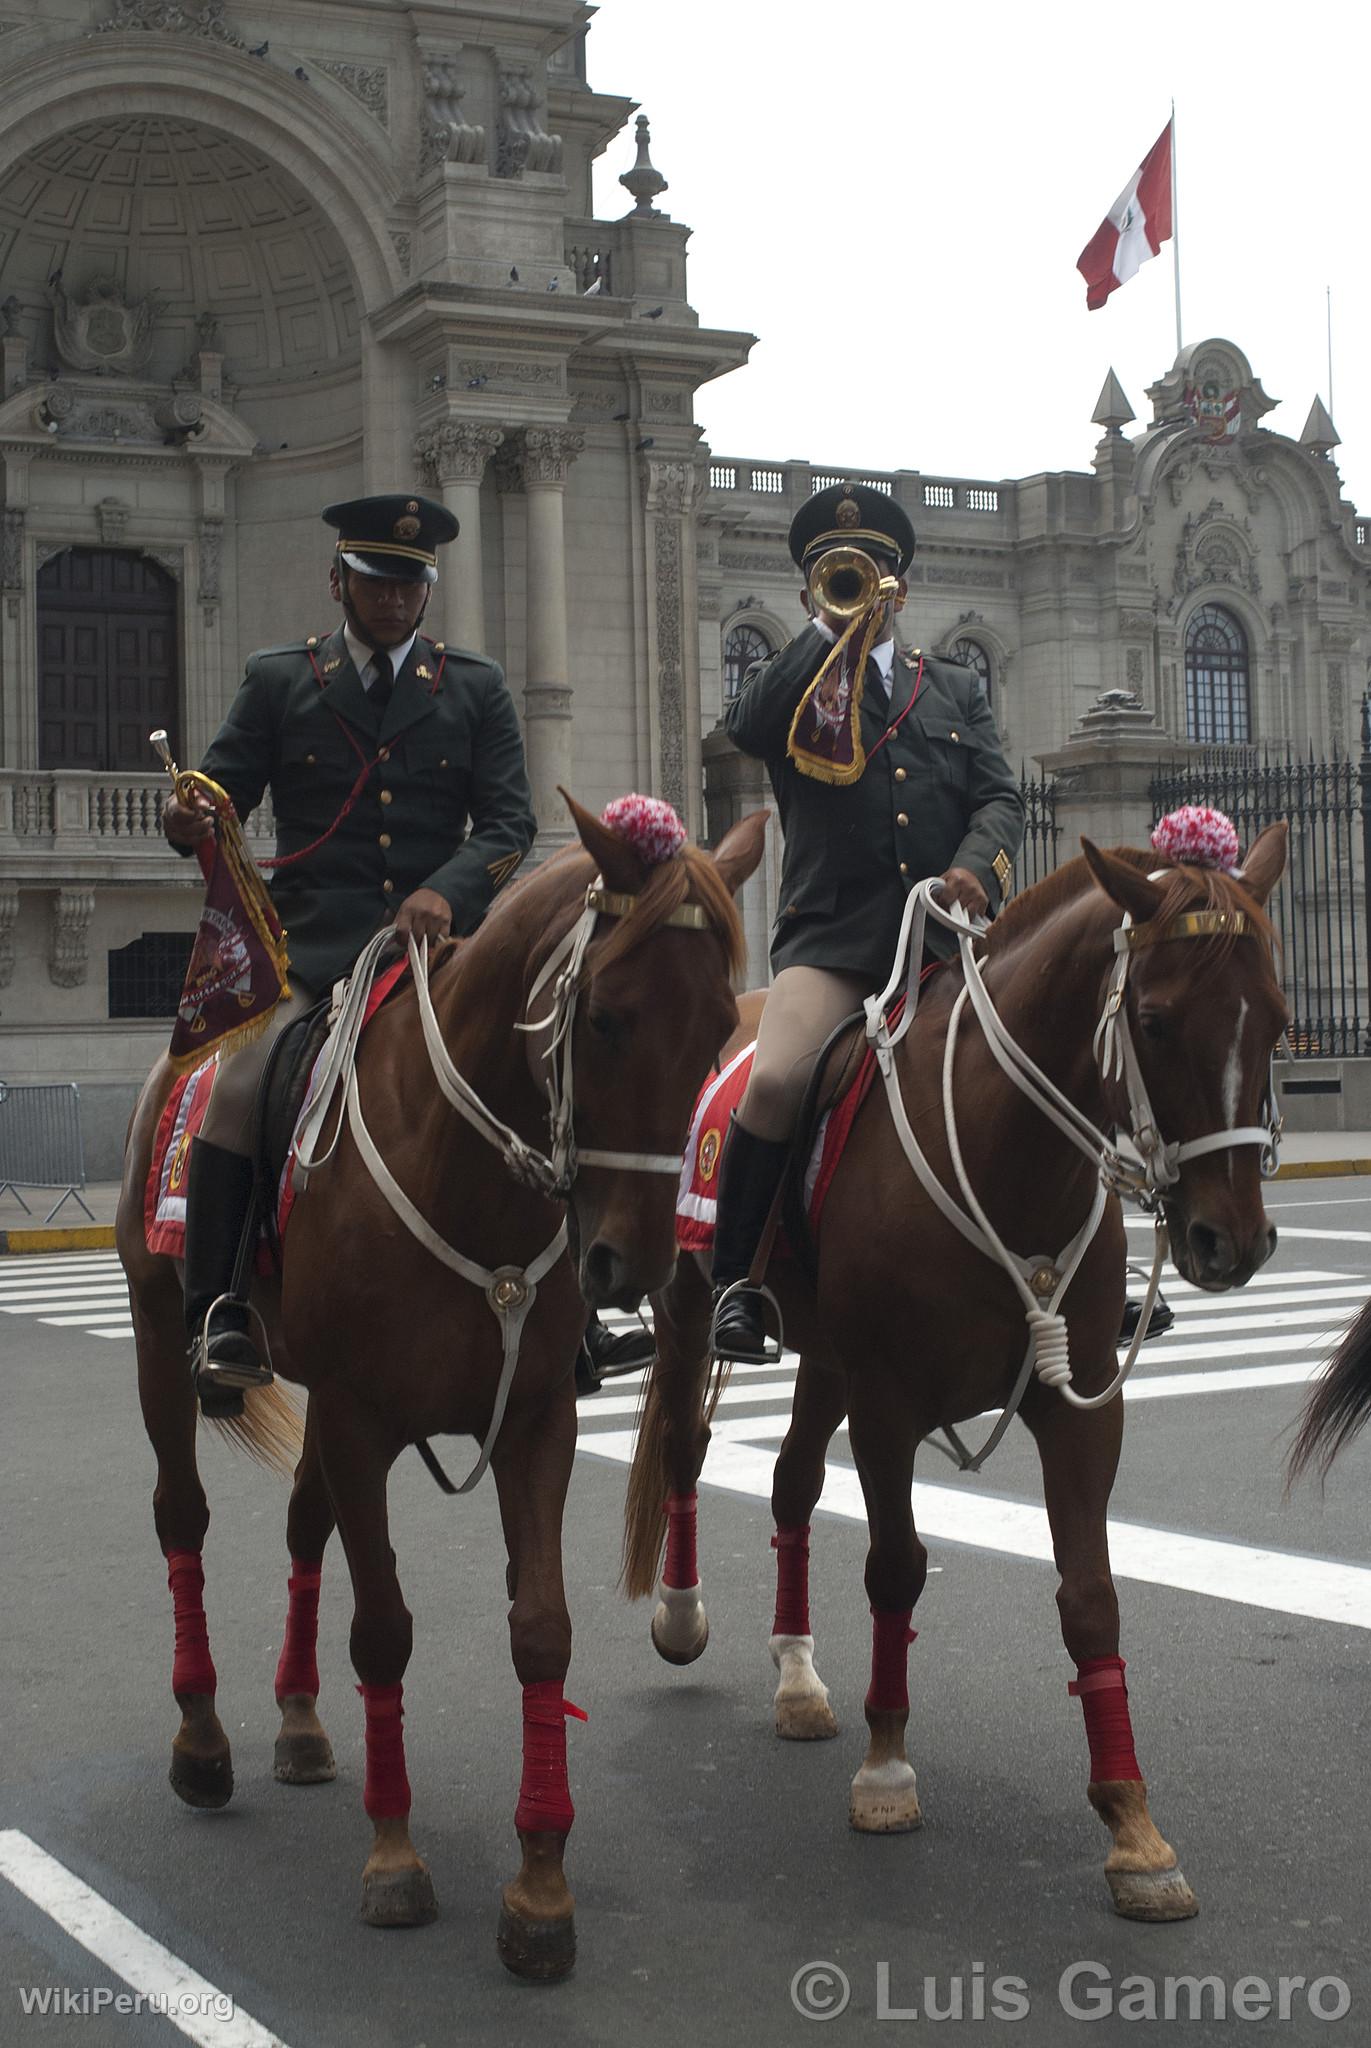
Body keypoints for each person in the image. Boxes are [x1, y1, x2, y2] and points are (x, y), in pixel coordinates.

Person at [162, 493, 536, 1411]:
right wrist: (189, 818)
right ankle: (219, 1312)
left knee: (535, 1079)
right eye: (376, 580)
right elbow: (220, 792)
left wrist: (441, 894)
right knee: (236, 1091)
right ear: (339, 582)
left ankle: (570, 1318)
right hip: (314, 953)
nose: (395, 599)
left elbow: (507, 825)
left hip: (437, 956)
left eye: (410, 583)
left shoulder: (475, 686)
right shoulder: (281, 679)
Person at [712, 481, 1026, 1360]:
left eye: (869, 572)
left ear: (901, 585)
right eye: (835, 576)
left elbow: (998, 798)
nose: (855, 586)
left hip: (942, 941)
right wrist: (824, 630)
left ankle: (1083, 1276)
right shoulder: (794, 685)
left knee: (1047, 1052)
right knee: (773, 1083)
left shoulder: (952, 689)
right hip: (834, 942)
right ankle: (734, 1286)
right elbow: (744, 729)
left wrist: (976, 872)